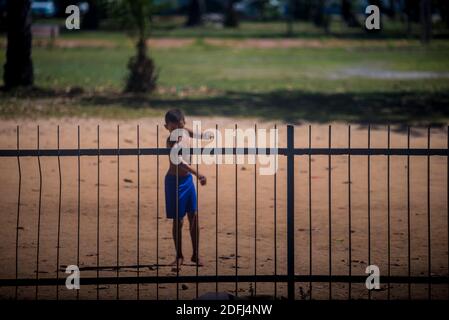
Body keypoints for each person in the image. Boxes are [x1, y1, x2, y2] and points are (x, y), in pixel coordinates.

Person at [164, 109, 209, 269]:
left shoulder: (186, 132)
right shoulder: (171, 141)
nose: (178, 130)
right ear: (166, 127)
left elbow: (201, 134)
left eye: (180, 126)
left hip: (187, 181)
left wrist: (208, 135)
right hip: (174, 182)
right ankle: (179, 256)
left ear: (184, 123)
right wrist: (198, 174)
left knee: (194, 216)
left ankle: (196, 254)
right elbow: (179, 162)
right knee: (179, 220)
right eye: (173, 127)